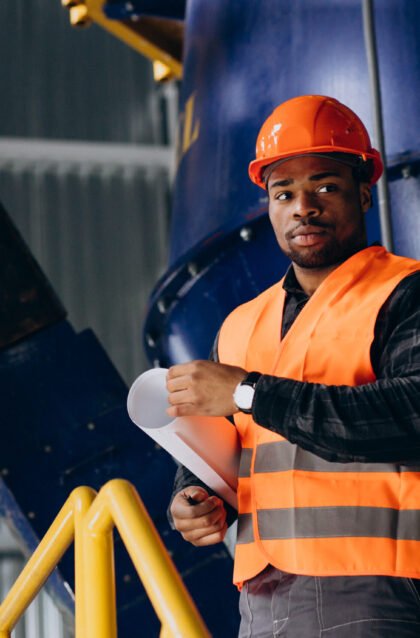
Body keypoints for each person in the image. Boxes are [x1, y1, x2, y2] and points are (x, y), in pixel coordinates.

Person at [166, 95, 420, 637]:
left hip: (377, 588)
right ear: (270, 209)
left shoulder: (404, 293)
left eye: (324, 186)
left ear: (365, 193)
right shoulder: (240, 324)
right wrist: (196, 498)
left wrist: (248, 393)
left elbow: (411, 414)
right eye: (284, 193)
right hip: (262, 596)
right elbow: (227, 448)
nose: (303, 207)